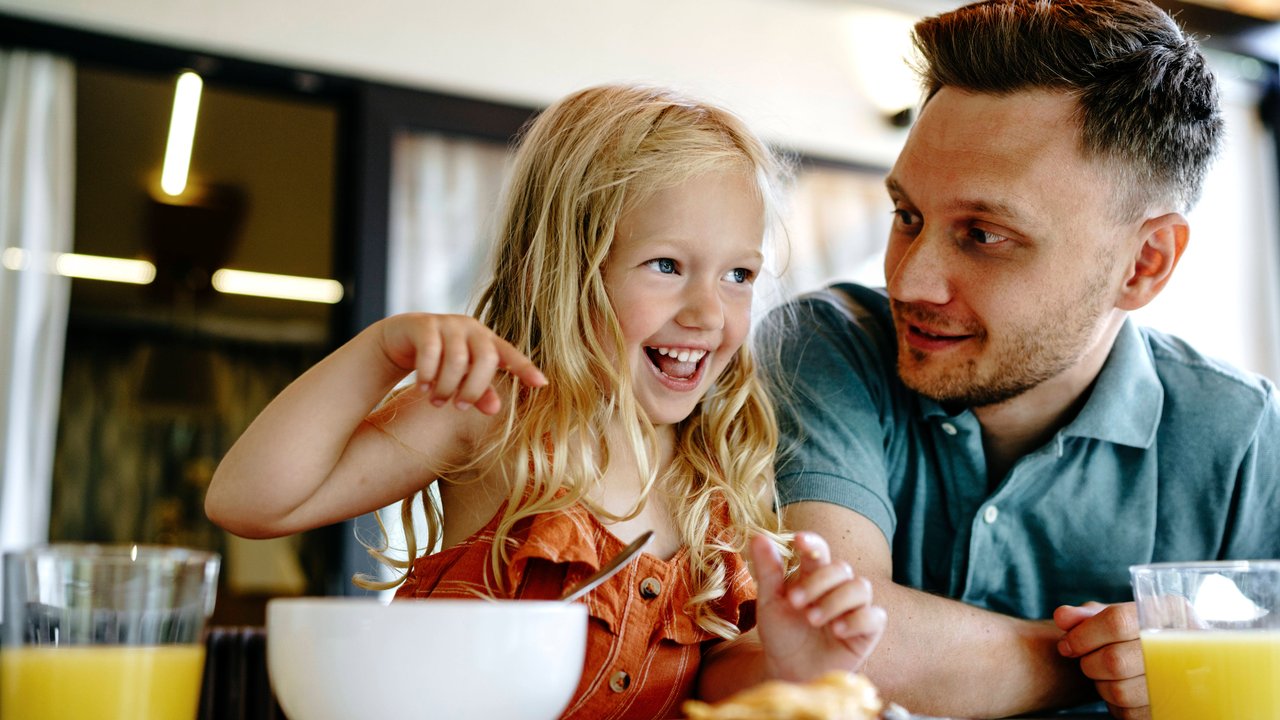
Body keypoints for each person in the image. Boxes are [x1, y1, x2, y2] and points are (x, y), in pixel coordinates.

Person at [206, 83, 886, 719]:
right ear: (564, 266)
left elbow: (710, 679)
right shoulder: (491, 413)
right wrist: (380, 353)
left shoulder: (715, 470)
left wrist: (787, 665)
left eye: (739, 274)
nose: (709, 311)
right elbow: (249, 501)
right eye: (667, 266)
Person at [760, 1, 1280, 718]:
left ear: (1144, 263)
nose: (908, 281)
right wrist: (1126, 663)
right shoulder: (827, 344)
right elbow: (830, 646)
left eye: (984, 234)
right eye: (907, 216)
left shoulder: (1246, 434)